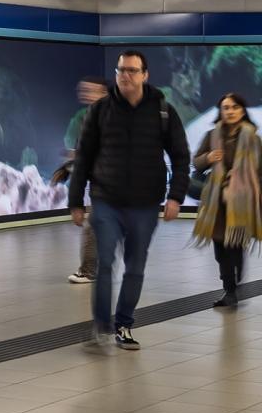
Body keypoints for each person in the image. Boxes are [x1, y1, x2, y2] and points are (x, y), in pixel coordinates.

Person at [69, 50, 191, 350]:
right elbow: (83, 156)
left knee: (135, 267)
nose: (126, 76)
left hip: (145, 203)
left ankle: (124, 323)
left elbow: (180, 156)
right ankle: (101, 326)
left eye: (133, 71)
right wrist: (75, 200)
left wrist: (176, 196)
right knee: (106, 263)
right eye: (122, 70)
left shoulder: (162, 110)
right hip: (106, 199)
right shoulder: (100, 110)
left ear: (145, 75)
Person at [192, 92, 262, 308]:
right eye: (226, 107)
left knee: (234, 245)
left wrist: (244, 180)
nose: (230, 111)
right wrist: (208, 158)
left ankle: (230, 290)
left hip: (241, 200)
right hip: (216, 201)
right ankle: (231, 281)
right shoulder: (212, 135)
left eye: (234, 107)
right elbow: (197, 163)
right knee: (220, 248)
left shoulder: (253, 138)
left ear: (242, 110)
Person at [63, 77, 109, 284]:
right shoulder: (86, 118)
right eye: (82, 89)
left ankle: (91, 270)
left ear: (104, 92)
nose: (85, 93)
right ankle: (92, 269)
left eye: (90, 90)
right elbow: (81, 156)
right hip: (100, 183)